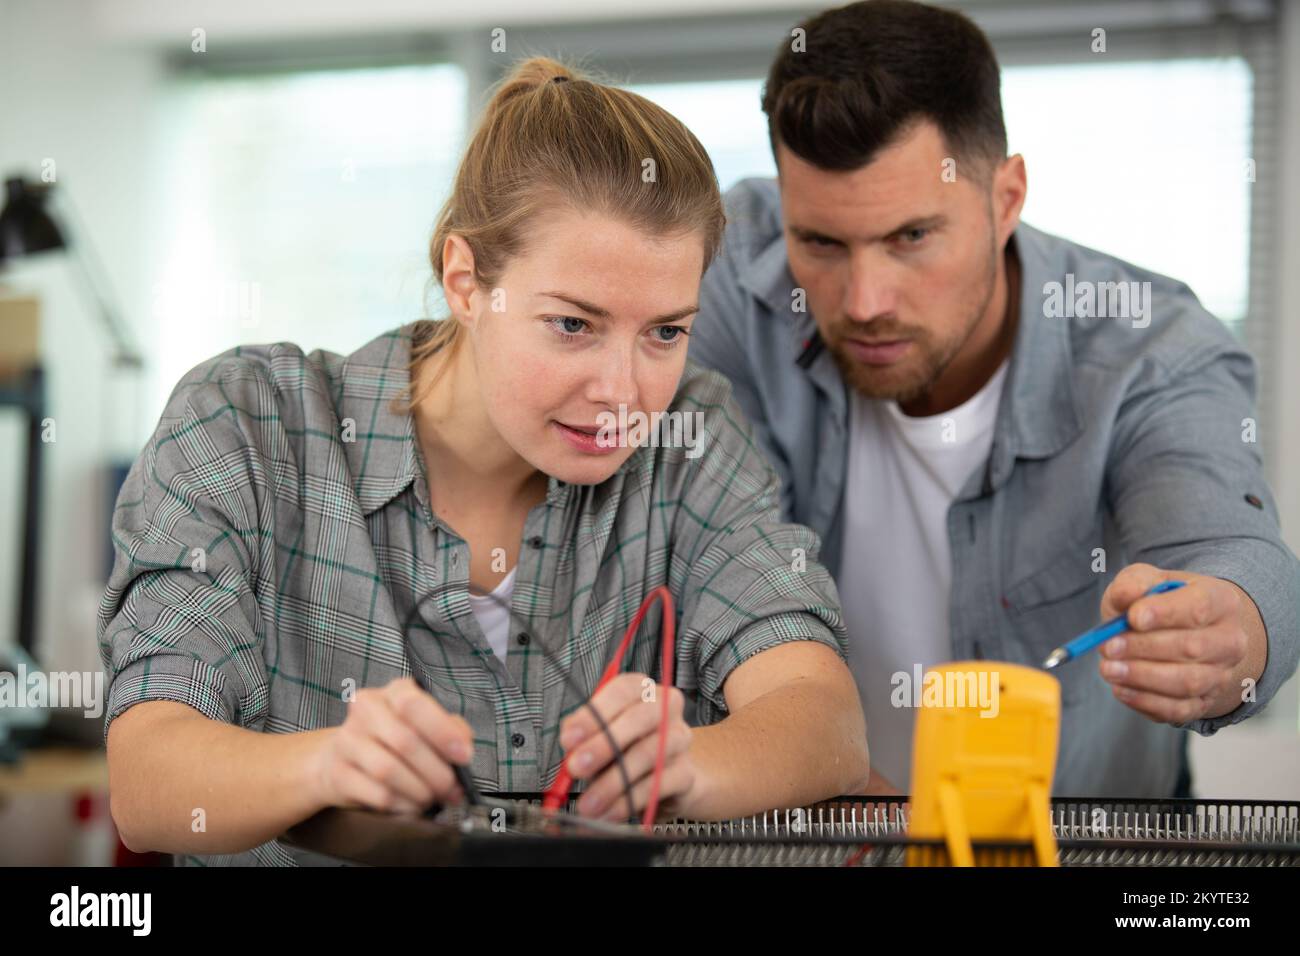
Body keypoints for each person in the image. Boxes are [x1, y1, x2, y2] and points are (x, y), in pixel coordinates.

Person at [98, 57, 869, 865]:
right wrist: (326, 763)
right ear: (466, 282)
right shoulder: (247, 423)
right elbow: (149, 783)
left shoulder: (692, 432)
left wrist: (692, 761)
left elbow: (823, 715)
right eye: (573, 324)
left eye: (665, 332)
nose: (624, 393)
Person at [690, 0, 1300, 797]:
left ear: (1005, 197)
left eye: (912, 237)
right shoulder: (728, 275)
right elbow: (712, 545)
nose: (865, 299)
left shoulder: (1148, 346)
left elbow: (1231, 550)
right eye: (823, 243)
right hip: (813, 839)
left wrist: (1231, 631)